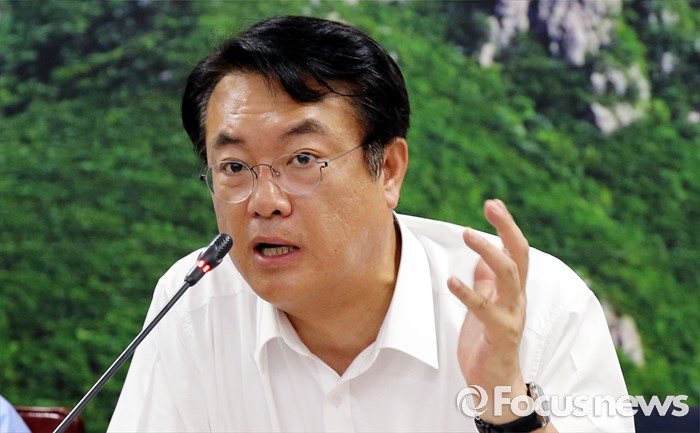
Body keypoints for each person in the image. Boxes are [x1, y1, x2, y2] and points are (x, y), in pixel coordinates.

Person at [108, 16, 634, 432]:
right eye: (234, 167)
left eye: (303, 159)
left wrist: (506, 404)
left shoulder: (537, 306)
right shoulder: (193, 304)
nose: (265, 202)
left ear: (389, 170)